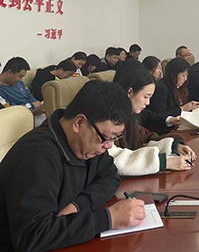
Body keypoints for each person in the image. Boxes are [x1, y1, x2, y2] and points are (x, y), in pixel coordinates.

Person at [0, 81, 146, 251]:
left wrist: (78, 205)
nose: (109, 146)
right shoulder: (37, 156)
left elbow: (110, 175)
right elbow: (33, 236)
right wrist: (108, 219)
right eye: (107, 137)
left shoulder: (88, 143)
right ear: (79, 123)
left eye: (114, 138)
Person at [110, 69, 197, 176]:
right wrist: (163, 162)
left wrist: (173, 146)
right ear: (130, 92)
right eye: (145, 97)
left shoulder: (131, 117)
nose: (148, 103)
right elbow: (115, 159)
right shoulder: (110, 120)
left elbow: (143, 140)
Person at [142, 58, 199, 135]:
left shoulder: (179, 87)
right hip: (164, 130)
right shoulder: (161, 88)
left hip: (178, 126)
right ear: (173, 75)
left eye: (186, 75)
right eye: (183, 75)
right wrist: (182, 109)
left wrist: (192, 106)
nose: (185, 79)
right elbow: (160, 114)